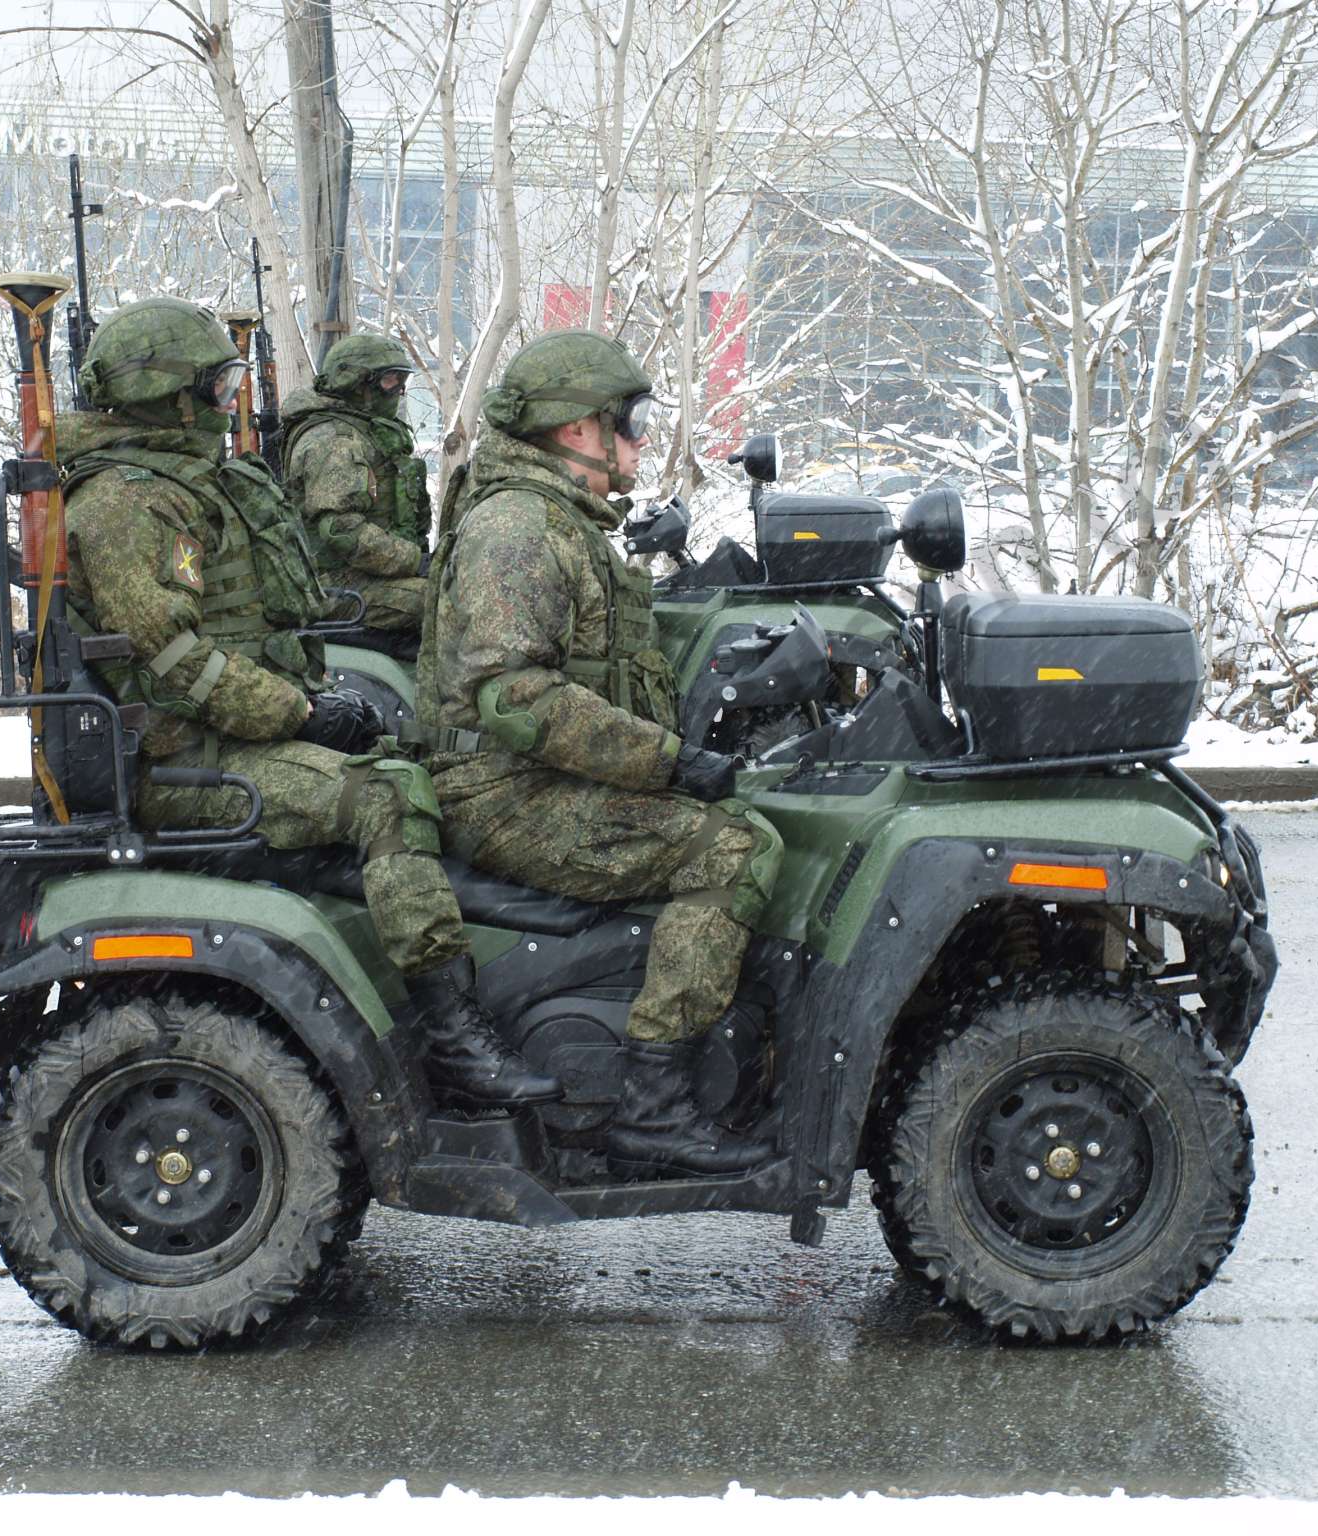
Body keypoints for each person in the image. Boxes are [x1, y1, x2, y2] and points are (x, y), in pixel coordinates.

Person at [58, 296, 558, 1111]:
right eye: (216, 388)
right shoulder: (124, 503)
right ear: (166, 396)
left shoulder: (182, 481)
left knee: (409, 758)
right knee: (387, 800)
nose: (229, 404)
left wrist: (315, 700)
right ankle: (453, 1037)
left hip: (229, 738)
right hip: (186, 762)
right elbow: (180, 661)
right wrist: (300, 714)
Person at [415, 330, 784, 1181]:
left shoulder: (557, 519)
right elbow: (514, 697)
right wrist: (668, 760)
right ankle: (655, 1105)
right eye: (633, 419)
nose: (640, 439)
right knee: (734, 849)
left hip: (534, 777)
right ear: (577, 429)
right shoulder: (516, 526)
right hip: (503, 791)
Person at [281, 332, 431, 633]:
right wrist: (415, 561)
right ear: (356, 382)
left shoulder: (362, 430)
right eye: (390, 380)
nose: (399, 390)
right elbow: (341, 531)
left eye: (403, 380)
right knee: (445, 601)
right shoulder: (335, 441)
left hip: (363, 575)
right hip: (333, 587)